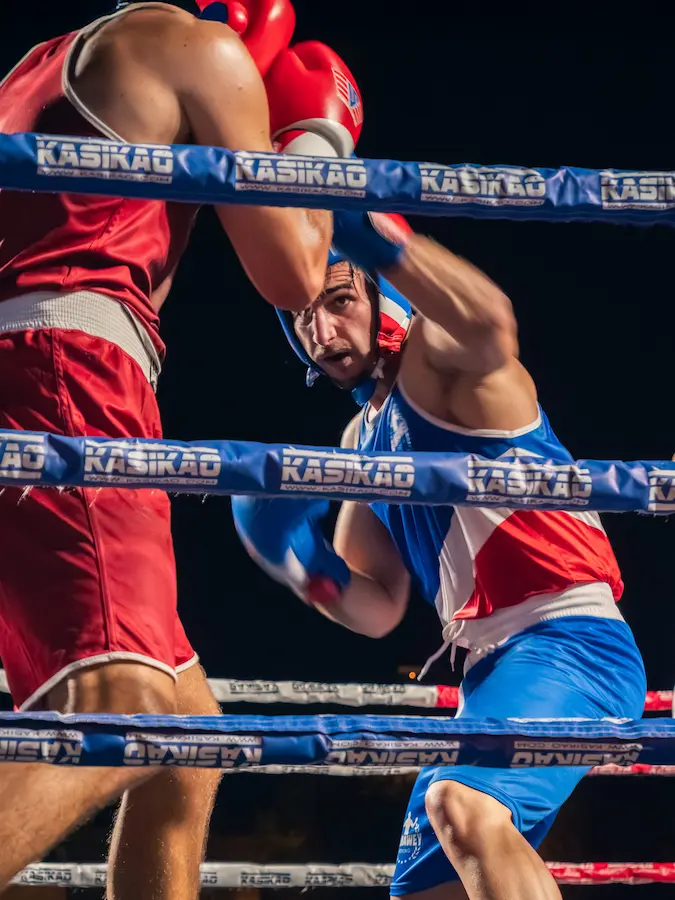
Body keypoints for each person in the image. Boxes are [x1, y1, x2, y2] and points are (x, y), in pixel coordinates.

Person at [0, 0, 364, 894]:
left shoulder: (37, 66)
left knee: (187, 740)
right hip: (67, 371)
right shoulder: (201, 48)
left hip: (30, 372)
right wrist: (315, 137)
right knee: (125, 711)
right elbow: (296, 274)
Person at [231, 211, 647, 900]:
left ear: (382, 296)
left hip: (572, 644)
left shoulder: (436, 359)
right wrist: (301, 565)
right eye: (303, 317)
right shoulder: (360, 439)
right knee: (431, 887)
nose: (323, 332)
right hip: (492, 672)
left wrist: (369, 231)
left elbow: (489, 325)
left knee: (462, 804)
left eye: (340, 300)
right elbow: (376, 605)